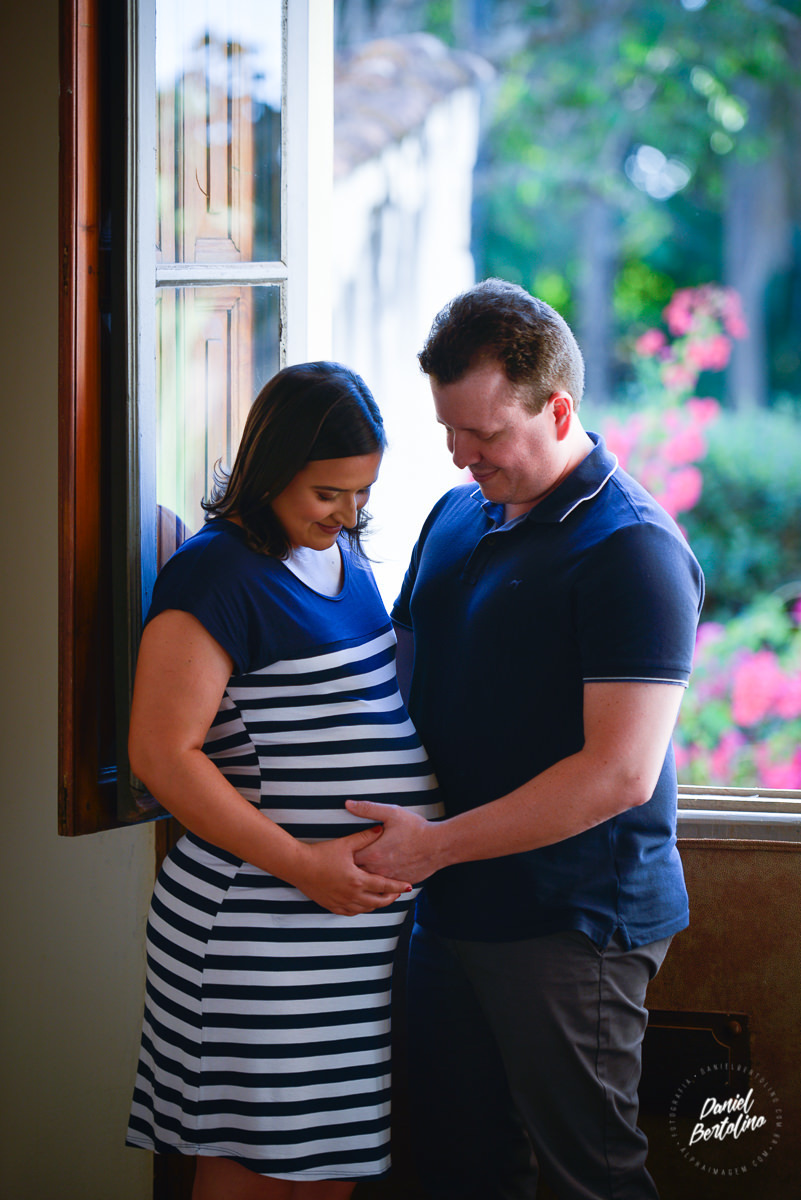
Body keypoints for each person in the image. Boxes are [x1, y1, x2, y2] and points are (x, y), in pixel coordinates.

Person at [346, 280, 705, 1200]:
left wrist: (430, 847)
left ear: (558, 408)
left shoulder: (633, 551)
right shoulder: (458, 512)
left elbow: (619, 774)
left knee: (590, 1175)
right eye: (449, 433)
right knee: (460, 1167)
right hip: (450, 905)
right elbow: (400, 669)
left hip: (571, 922)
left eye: (486, 435)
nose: (463, 457)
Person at [125, 361, 442, 1200]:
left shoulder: (347, 561)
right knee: (249, 1177)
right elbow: (163, 757)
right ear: (270, 470)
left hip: (345, 948)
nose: (348, 513)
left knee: (328, 1177)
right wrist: (304, 864)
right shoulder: (214, 575)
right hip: (255, 934)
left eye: (362, 491)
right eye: (327, 493)